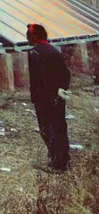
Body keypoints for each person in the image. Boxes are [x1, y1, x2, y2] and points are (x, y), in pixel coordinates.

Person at [27, 23, 71, 173]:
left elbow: (40, 78)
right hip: (58, 96)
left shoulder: (35, 53)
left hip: (45, 97)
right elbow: (66, 73)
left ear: (33, 36)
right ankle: (64, 160)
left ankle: (57, 163)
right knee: (60, 127)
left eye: (28, 34)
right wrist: (62, 89)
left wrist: (38, 96)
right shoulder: (54, 50)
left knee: (47, 129)